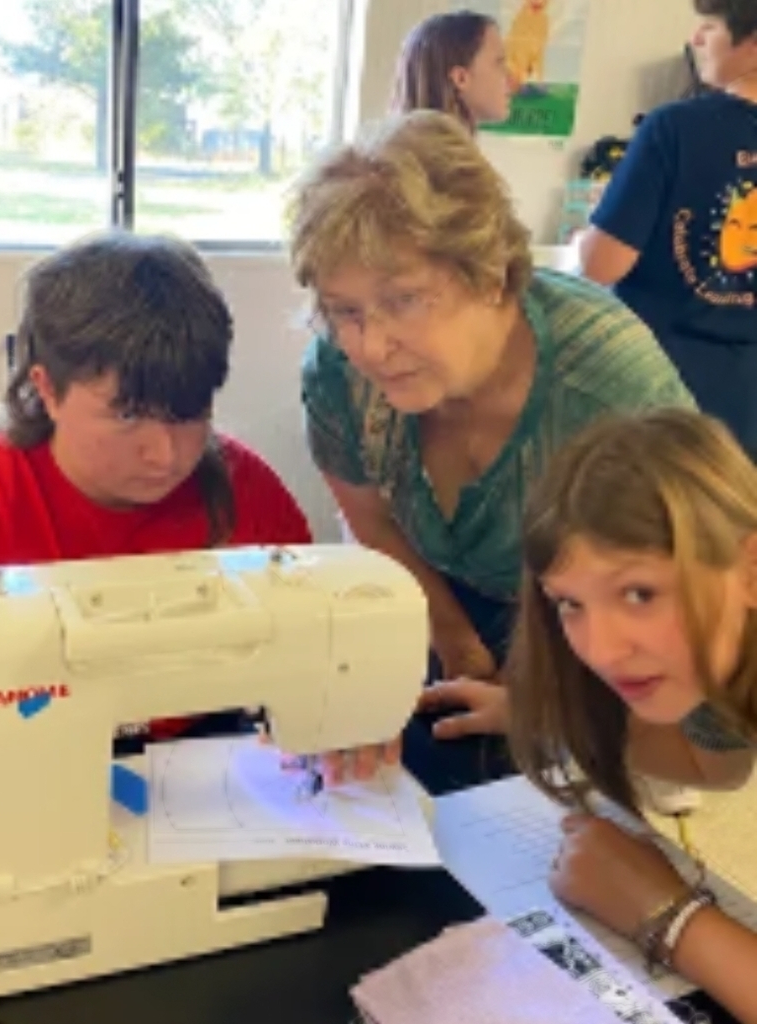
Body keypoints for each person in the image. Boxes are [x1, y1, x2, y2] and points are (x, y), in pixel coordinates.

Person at [0, 231, 335, 816]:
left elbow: (315, 660)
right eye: (128, 414)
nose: (166, 454)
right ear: (47, 389)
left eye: (191, 415)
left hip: (204, 788)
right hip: (29, 789)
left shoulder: (248, 494)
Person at [289, 109, 696, 744]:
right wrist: (462, 649)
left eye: (404, 300)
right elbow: (370, 520)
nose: (369, 345)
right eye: (345, 311)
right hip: (438, 600)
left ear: (489, 273)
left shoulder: (609, 388)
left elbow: (687, 595)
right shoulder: (339, 373)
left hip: (594, 634)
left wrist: (545, 713)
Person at [507, 408, 757, 1024]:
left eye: (640, 594)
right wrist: (534, 708)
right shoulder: (693, 686)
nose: (601, 650)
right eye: (570, 605)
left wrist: (668, 917)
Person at [578, 0, 757, 456]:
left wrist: (599, 221)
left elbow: (601, 264)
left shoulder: (673, 128)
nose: (695, 39)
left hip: (659, 384)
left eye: (710, 27)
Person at [391, 9, 513, 130]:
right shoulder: (438, 148)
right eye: (499, 63)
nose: (510, 77)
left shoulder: (402, 143)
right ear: (461, 78)